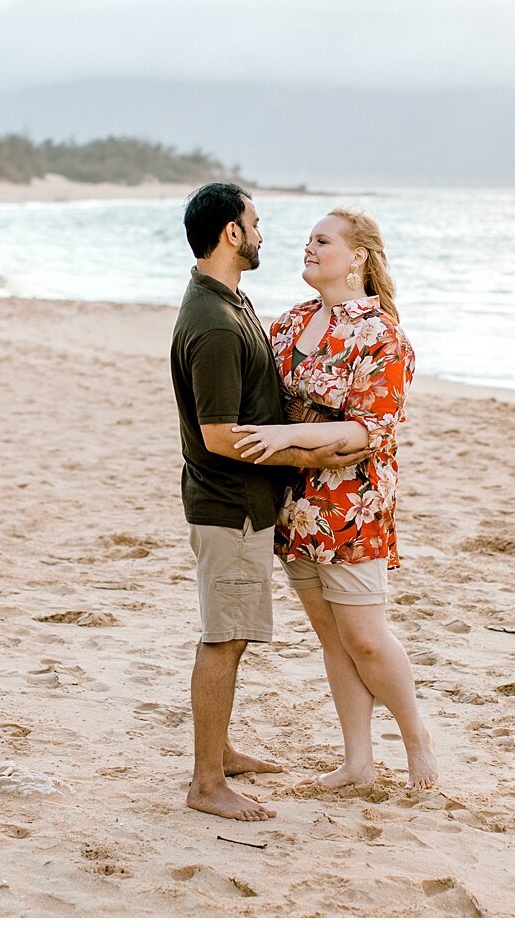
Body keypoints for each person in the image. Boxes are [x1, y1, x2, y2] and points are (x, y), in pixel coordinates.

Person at [170, 183, 370, 822]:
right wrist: (309, 456)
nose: (263, 235)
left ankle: (220, 751)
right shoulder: (214, 322)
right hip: (229, 504)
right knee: (224, 638)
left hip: (242, 503)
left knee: (231, 634)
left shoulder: (228, 302)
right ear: (232, 232)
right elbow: (219, 435)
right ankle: (207, 783)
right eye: (255, 223)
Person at [230, 207, 437, 790]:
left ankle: (416, 736)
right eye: (307, 241)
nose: (308, 248)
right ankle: (358, 761)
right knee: (330, 634)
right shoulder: (290, 323)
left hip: (353, 503)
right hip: (293, 500)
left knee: (366, 638)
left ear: (359, 257)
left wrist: (287, 434)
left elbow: (367, 430)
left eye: (322, 241)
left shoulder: (383, 335)